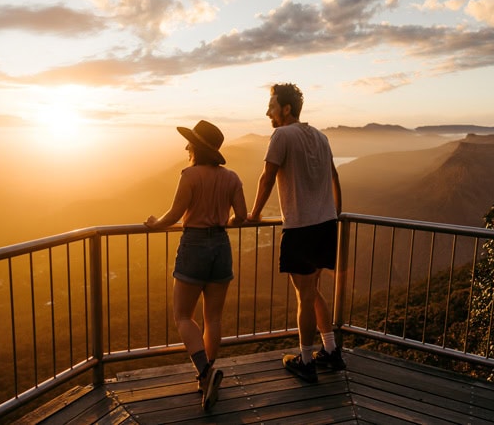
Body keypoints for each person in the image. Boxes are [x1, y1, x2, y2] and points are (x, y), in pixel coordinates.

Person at [144, 120, 247, 410]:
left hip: (195, 246)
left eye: (189, 142)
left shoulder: (189, 175)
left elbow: (175, 213)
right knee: (212, 318)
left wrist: (154, 224)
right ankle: (206, 381)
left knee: (182, 316)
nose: (186, 146)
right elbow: (240, 215)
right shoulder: (232, 177)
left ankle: (205, 371)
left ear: (197, 148)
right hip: (222, 247)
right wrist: (225, 221)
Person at [247, 83, 345, 383]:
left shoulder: (281, 135)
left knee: (304, 296)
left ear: (286, 109)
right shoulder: (321, 135)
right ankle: (330, 350)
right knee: (314, 290)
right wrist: (337, 214)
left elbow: (267, 177)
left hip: (301, 227)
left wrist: (254, 214)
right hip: (326, 224)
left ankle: (305, 361)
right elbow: (334, 176)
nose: (268, 112)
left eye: (271, 106)